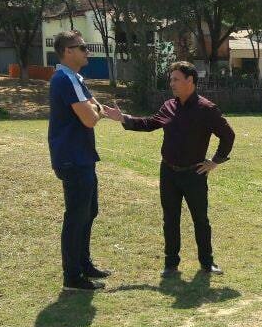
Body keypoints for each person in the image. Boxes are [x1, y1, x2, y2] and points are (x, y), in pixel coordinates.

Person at [103, 62, 235, 278]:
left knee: (200, 219)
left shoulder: (207, 109)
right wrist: (123, 118)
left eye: (176, 79)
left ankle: (207, 262)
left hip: (195, 173)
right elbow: (149, 123)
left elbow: (228, 135)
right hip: (169, 173)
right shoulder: (168, 106)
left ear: (190, 81)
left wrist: (215, 161)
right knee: (170, 218)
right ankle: (171, 264)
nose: (171, 83)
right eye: (171, 79)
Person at [49, 30, 113, 291]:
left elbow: (96, 107)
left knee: (89, 211)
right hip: (72, 159)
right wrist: (96, 110)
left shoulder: (75, 78)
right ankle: (72, 277)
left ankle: (83, 264)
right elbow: (90, 117)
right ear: (68, 51)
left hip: (82, 157)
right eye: (82, 47)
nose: (88, 51)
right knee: (76, 215)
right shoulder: (65, 79)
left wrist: (95, 109)